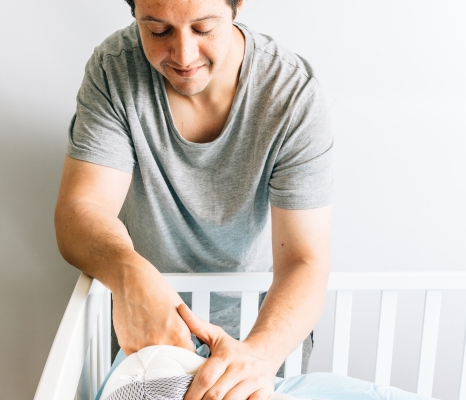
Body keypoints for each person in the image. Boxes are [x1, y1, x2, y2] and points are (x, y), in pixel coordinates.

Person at [54, 0, 333, 399]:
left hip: (264, 332)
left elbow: (306, 260)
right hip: (148, 329)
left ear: (237, 8)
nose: (183, 56)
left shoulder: (291, 93)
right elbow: (79, 211)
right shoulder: (114, 70)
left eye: (203, 29)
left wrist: (256, 357)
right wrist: (131, 275)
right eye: (158, 31)